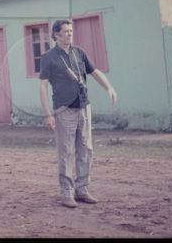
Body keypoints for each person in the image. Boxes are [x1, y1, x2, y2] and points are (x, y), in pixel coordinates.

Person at [39, 19, 117, 209]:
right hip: (63, 110)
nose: (70, 34)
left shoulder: (79, 52)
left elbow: (95, 72)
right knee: (66, 152)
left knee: (86, 149)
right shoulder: (48, 57)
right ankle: (67, 193)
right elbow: (42, 86)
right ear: (56, 34)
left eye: (71, 31)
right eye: (66, 31)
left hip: (84, 107)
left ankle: (81, 190)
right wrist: (48, 115)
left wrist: (109, 87)